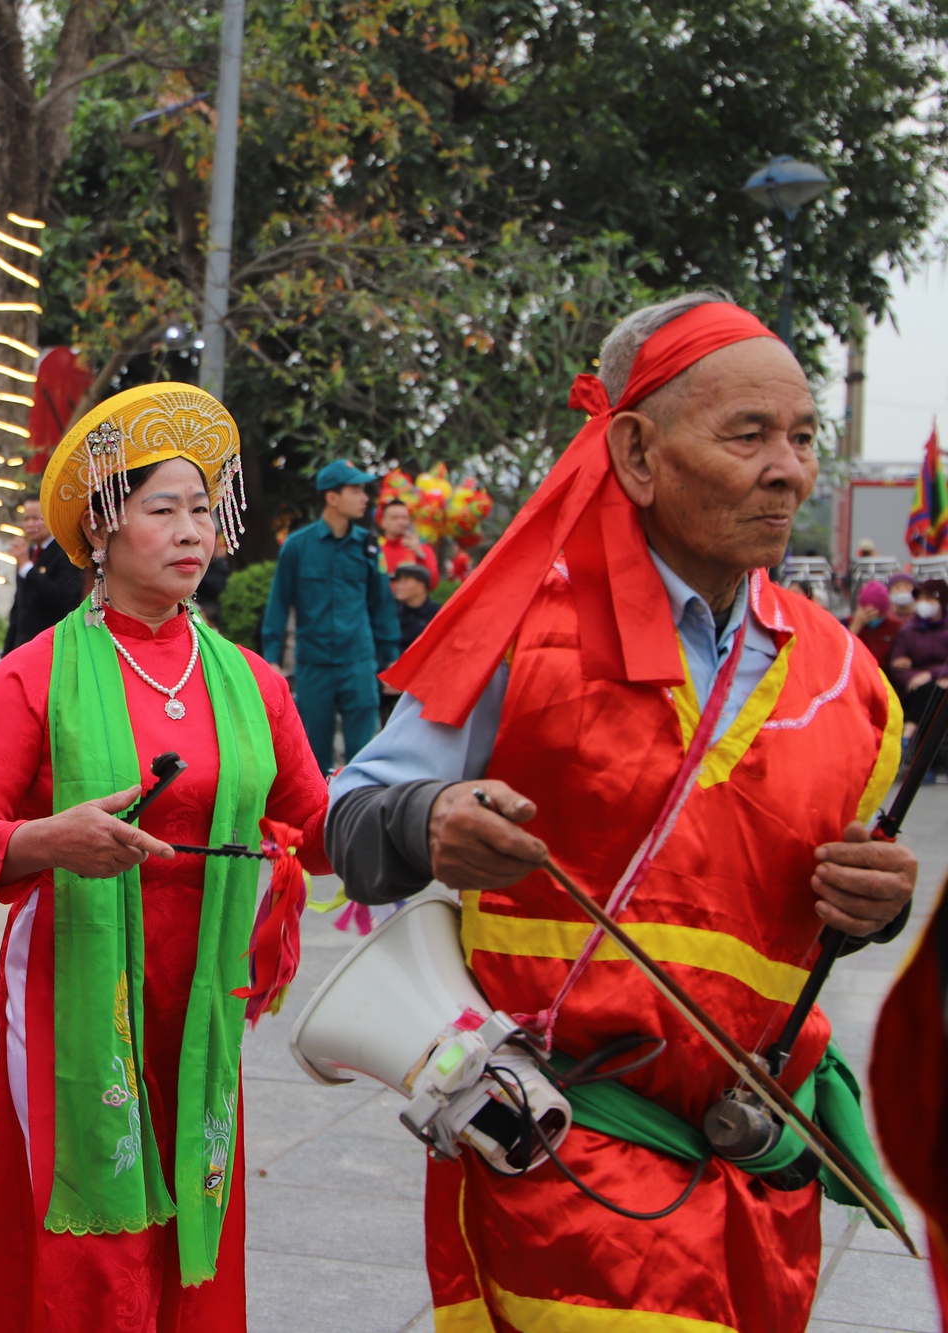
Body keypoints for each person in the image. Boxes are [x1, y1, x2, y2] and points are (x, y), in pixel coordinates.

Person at [326, 294, 916, 1330]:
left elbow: (804, 906)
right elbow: (348, 813)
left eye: (800, 435)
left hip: (755, 1169)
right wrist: (426, 820)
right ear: (635, 453)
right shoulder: (523, 630)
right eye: (747, 434)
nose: (786, 467)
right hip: (567, 1156)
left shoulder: (852, 683)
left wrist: (872, 906)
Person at [0, 383, 330, 1333]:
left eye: (202, 508)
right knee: (84, 1236)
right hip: (75, 995)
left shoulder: (252, 681)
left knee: (196, 1216)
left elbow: (316, 820)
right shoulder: (32, 675)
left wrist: (424, 816)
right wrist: (47, 840)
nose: (190, 530)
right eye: (163, 509)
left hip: (202, 995)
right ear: (101, 530)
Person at [261, 459, 401, 773]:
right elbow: (279, 604)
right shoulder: (297, 547)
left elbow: (382, 605)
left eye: (364, 489)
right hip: (315, 664)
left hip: (359, 662)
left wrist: (392, 657)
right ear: (332, 497)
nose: (365, 497)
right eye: (356, 489)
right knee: (312, 754)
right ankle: (319, 818)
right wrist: (271, 657)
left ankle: (358, 813)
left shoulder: (368, 546)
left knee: (365, 753)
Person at [3, 497, 83, 653]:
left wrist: (28, 568)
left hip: (52, 646)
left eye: (36, 518)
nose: (30, 524)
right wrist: (7, 652)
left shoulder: (66, 554)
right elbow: (19, 608)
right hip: (23, 646)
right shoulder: (29, 553)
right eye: (26, 519)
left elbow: (63, 598)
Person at [382, 561, 439, 723]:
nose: (398, 586)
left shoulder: (437, 615)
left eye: (404, 581)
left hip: (422, 689)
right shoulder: (389, 612)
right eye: (396, 581)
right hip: (389, 686)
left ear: (421, 585)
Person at [888, 578, 948, 719]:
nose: (923, 603)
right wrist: (913, 678)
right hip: (916, 690)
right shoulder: (907, 631)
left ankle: (911, 729)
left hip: (943, 683)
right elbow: (896, 667)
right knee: (927, 691)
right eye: (920, 599)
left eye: (928, 599)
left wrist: (932, 675)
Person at [377, 496, 438, 582]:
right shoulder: (376, 549)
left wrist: (420, 555)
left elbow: (433, 582)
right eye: (395, 518)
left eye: (404, 518)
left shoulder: (422, 549)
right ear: (383, 522)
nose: (401, 522)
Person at [849, 580, 900, 668]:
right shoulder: (846, 624)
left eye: (878, 615)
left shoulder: (895, 627)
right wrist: (855, 627)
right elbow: (842, 651)